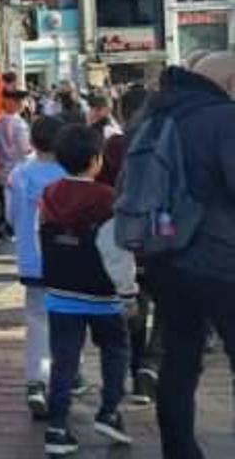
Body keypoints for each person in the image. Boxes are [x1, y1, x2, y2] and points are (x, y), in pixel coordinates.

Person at [138, 52, 235, 459]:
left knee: (179, 359)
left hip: (164, 258)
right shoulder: (223, 118)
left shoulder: (151, 115)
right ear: (228, 81)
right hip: (222, 260)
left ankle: (178, 450)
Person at [39, 124, 136, 455]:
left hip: (60, 294)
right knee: (114, 350)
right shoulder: (107, 199)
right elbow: (116, 253)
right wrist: (128, 292)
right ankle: (109, 411)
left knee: (64, 360)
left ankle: (56, 427)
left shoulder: (49, 194)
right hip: (102, 296)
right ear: (96, 160)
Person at [94, 84, 160, 405]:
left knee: (135, 302)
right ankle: (149, 366)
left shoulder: (114, 146)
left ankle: (135, 370)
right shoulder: (167, 142)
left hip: (125, 237)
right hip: (161, 237)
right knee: (166, 305)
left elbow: (104, 191)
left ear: (122, 112)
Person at [3, 116, 66, 419]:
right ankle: (69, 376)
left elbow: (12, 216)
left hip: (32, 260)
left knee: (37, 320)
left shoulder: (19, 174)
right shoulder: (69, 172)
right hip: (68, 260)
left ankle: (36, 381)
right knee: (69, 320)